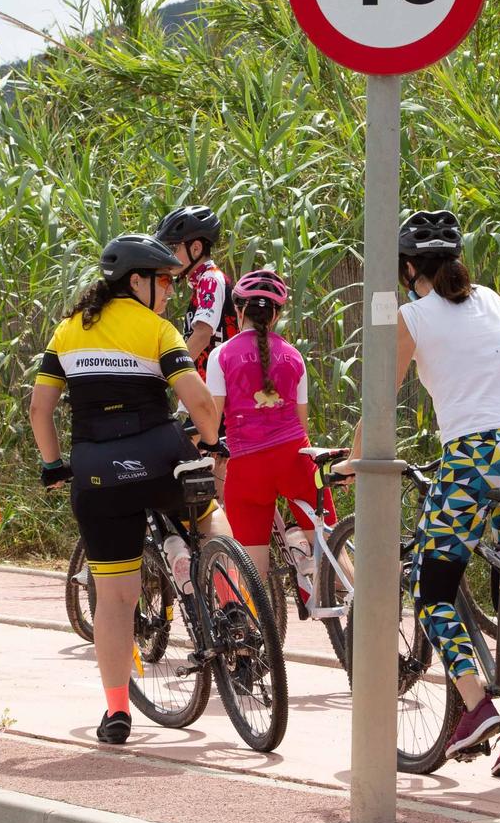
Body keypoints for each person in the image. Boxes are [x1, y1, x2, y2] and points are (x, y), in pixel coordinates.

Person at [364, 210, 500, 775]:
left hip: (471, 458)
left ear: (408, 268)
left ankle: (478, 708)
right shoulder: (491, 299)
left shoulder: (411, 316)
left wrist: (354, 462)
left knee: (432, 585)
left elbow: (381, 403)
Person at [29, 233, 226, 746]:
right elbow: (200, 403)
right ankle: (205, 571)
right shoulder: (158, 330)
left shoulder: (68, 332)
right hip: (161, 460)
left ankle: (117, 713)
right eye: (163, 281)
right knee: (203, 508)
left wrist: (54, 464)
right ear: (135, 281)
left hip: (97, 472)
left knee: (115, 600)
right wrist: (214, 445)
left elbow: (39, 410)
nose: (169, 291)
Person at [202, 268, 320, 607]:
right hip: (294, 459)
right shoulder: (294, 356)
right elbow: (301, 424)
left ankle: (255, 638)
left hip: (247, 465)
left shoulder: (221, 355)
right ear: (277, 314)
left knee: (253, 574)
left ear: (239, 311)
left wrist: (205, 443)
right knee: (329, 542)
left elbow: (213, 420)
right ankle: (339, 592)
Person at [155, 205, 235, 371]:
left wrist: (171, 375)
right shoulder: (202, 281)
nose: (167, 256)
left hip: (215, 390)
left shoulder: (210, 279)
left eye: (173, 248)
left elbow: (202, 334)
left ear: (196, 248)